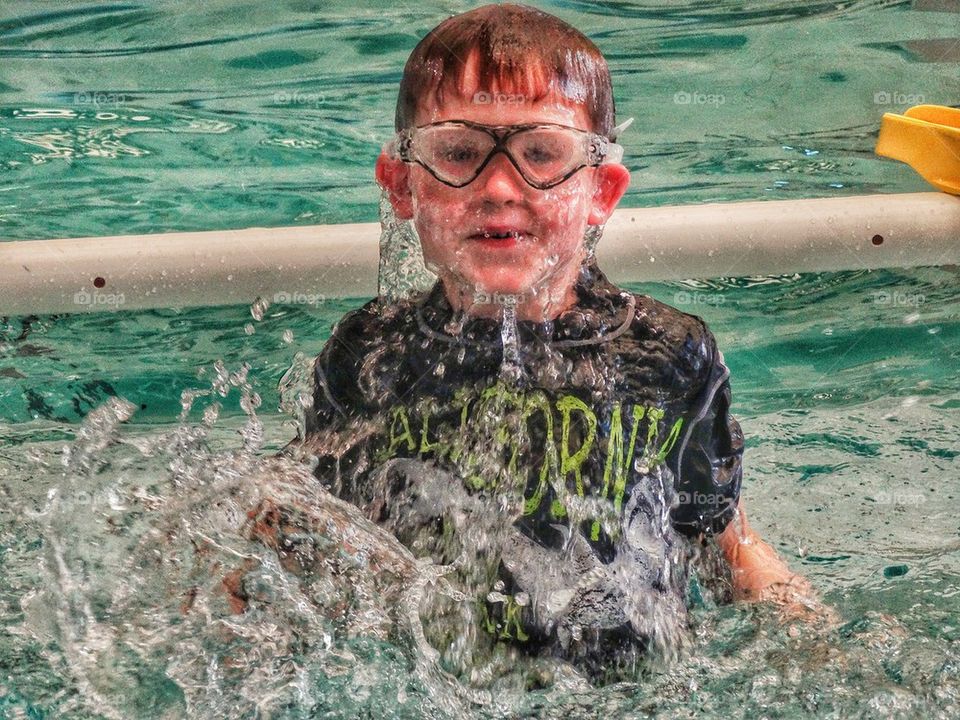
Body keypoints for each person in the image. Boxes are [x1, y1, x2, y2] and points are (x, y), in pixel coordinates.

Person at [282, 3, 820, 680]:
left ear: (602, 191)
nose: (500, 187)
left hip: (627, 689)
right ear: (401, 185)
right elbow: (310, 531)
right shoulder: (370, 357)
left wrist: (808, 634)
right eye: (458, 152)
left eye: (541, 153)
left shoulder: (666, 356)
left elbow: (723, 537)